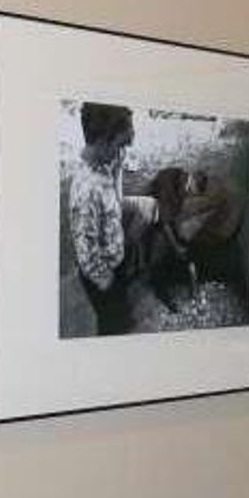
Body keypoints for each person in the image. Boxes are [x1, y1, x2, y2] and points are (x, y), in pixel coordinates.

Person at [68, 102, 157, 335]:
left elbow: (119, 155)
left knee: (149, 208)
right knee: (111, 321)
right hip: (101, 273)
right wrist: (104, 279)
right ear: (102, 141)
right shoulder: (85, 191)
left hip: (114, 249)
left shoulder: (110, 158)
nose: (121, 152)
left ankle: (123, 299)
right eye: (118, 145)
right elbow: (86, 253)